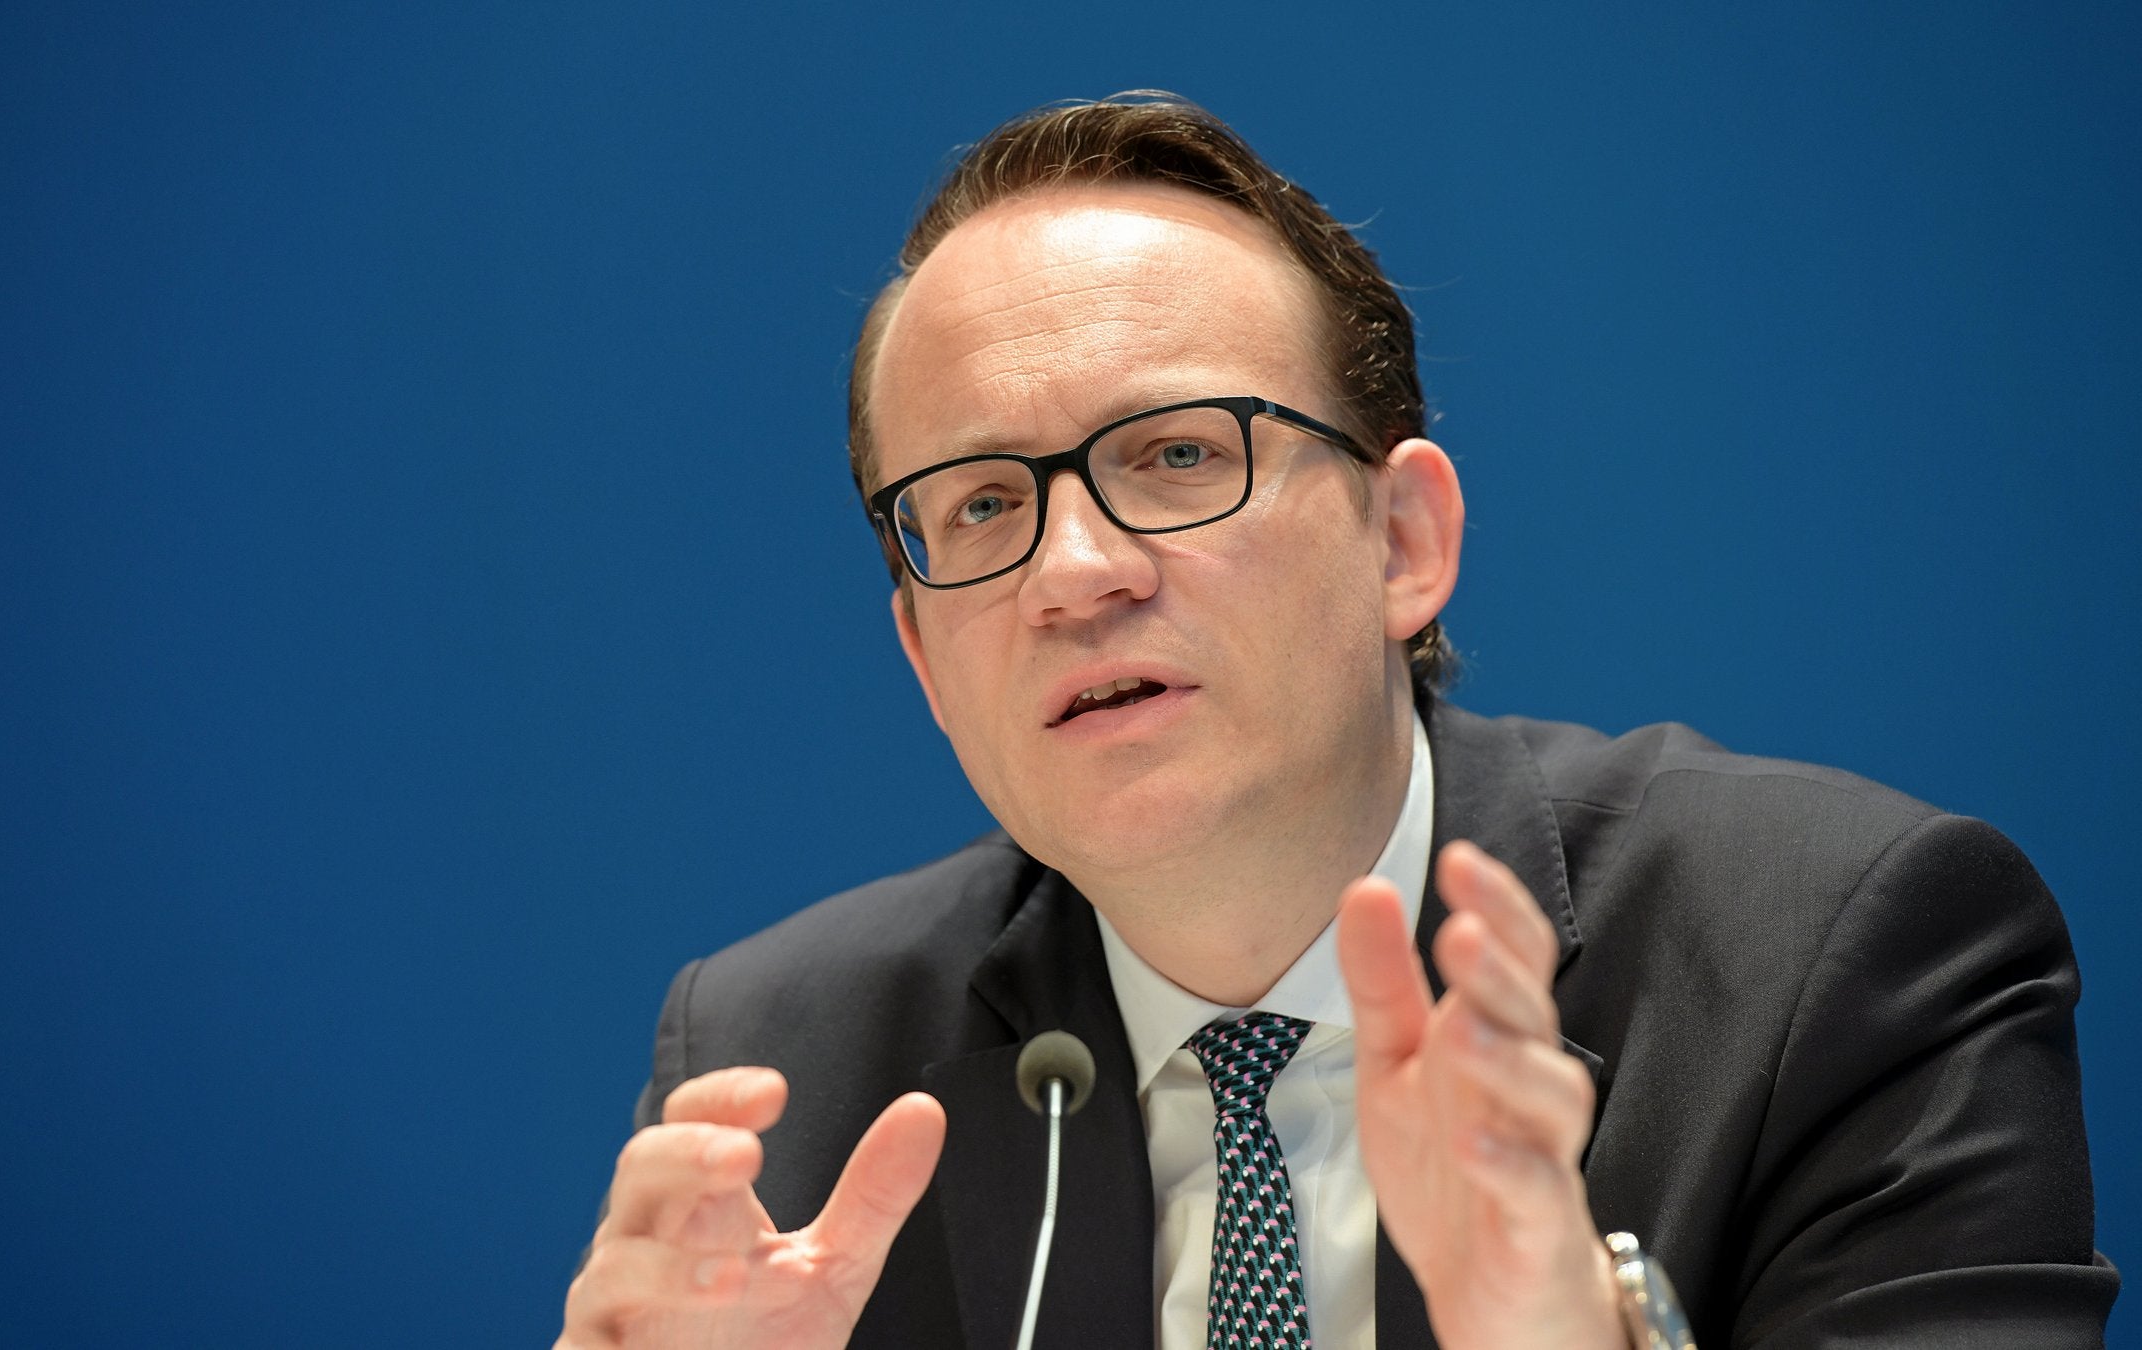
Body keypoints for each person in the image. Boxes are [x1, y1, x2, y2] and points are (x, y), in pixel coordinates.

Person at [558, 96, 2116, 1349]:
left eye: (1177, 454)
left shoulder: (1835, 964)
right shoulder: (782, 1086)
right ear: (921, 655)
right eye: (979, 505)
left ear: (1404, 542)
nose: (1071, 573)